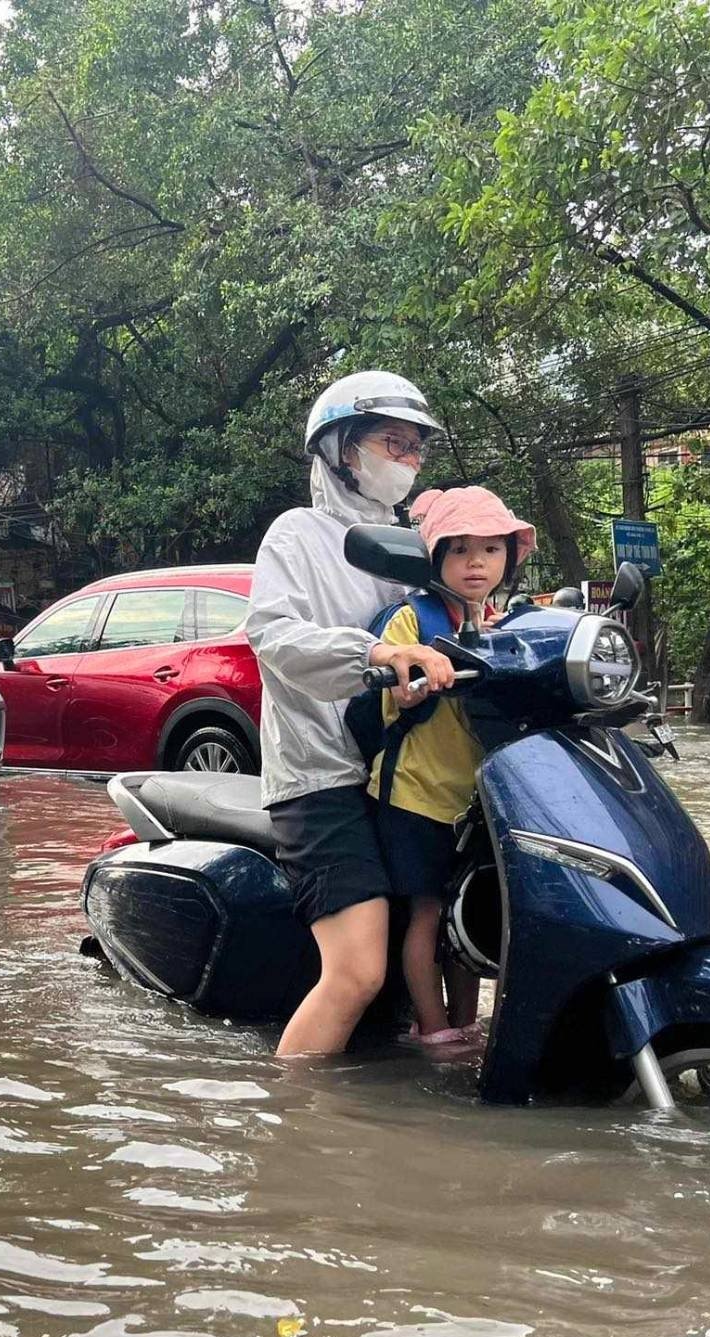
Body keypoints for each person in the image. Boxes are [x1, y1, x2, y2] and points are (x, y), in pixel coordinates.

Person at [245, 370, 458, 1058]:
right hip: (322, 776)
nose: (406, 461)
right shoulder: (297, 536)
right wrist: (373, 654)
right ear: (341, 449)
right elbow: (273, 636)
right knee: (358, 971)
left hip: (401, 774)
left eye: (415, 449)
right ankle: (295, 1130)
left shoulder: (413, 544)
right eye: (392, 443)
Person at [370, 487, 536, 1047]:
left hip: (478, 800)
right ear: (435, 557)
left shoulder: (509, 624)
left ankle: (466, 1022)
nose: (476, 563)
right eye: (460, 549)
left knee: (466, 911)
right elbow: (397, 692)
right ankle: (434, 1029)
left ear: (508, 558)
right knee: (428, 910)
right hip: (414, 795)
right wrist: (415, 679)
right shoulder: (410, 621)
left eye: (490, 550)